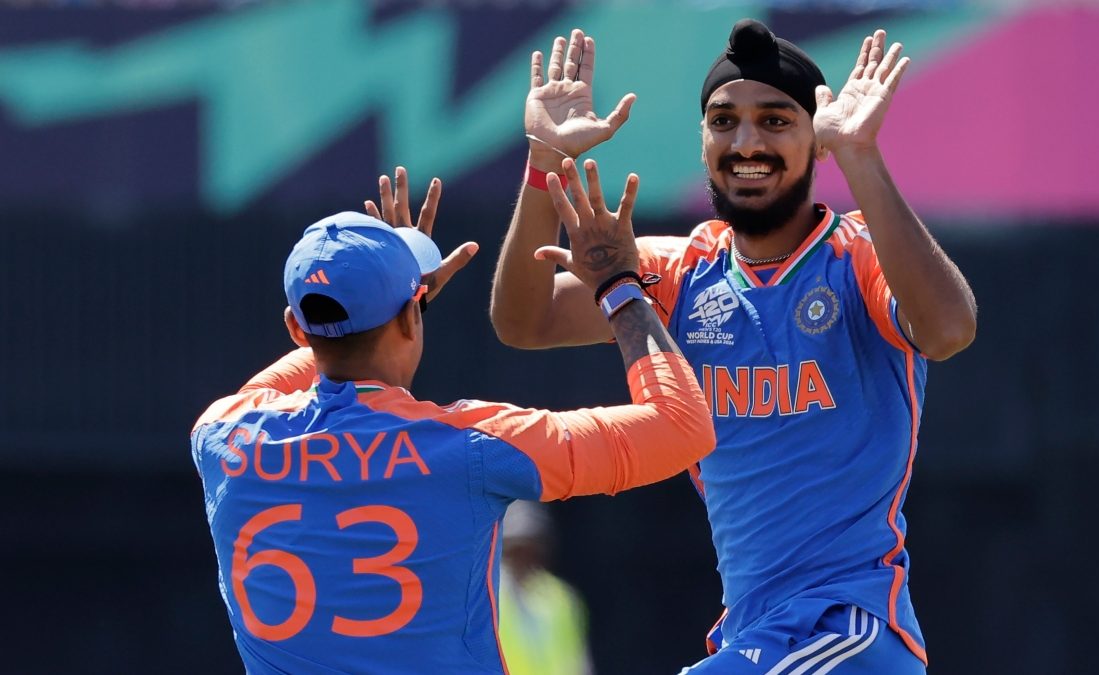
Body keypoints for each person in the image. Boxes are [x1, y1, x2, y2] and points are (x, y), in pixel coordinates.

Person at [491, 20, 977, 674]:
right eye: (724, 120)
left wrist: (862, 156)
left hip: (847, 630)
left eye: (775, 121)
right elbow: (524, 320)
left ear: (818, 139)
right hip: (754, 633)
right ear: (702, 141)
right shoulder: (685, 270)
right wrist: (544, 165)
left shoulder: (856, 255)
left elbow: (949, 329)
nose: (746, 141)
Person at [190, 167, 715, 674]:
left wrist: (399, 304)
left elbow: (302, 370)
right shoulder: (470, 447)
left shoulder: (221, 435)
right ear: (410, 315)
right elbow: (681, 427)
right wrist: (620, 288)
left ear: (295, 328)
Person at [498, 500, 593, 675]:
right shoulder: (483, 597)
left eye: (530, 548)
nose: (523, 558)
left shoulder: (561, 598)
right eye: (515, 549)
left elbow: (578, 663)